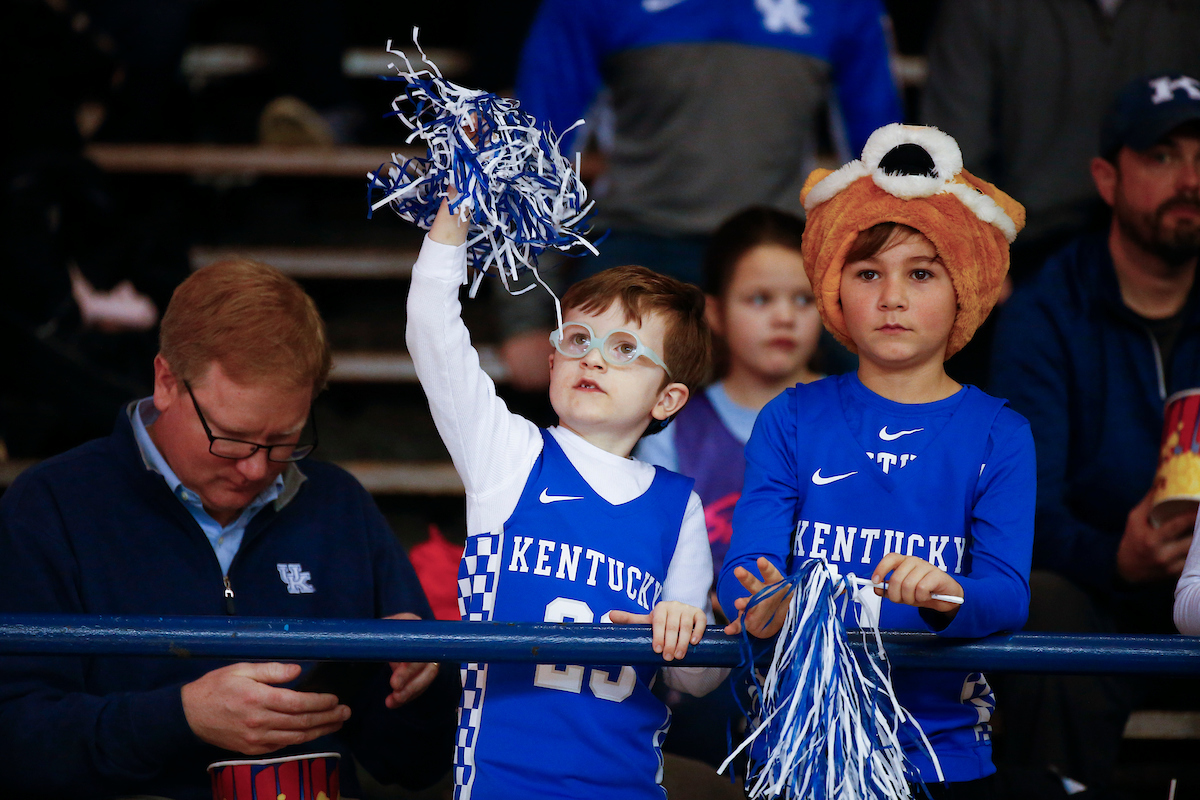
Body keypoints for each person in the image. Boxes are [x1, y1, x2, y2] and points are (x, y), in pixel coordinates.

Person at [0, 259, 459, 799]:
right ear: (166, 380)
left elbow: (412, 764)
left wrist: (424, 682)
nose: (256, 468)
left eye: (284, 440)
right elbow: (16, 740)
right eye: (233, 438)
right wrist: (181, 717)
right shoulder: (50, 506)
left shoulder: (337, 505)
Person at [717, 123, 1035, 797]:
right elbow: (748, 570)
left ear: (965, 291)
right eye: (868, 273)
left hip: (942, 756)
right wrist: (761, 600)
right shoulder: (791, 417)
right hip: (799, 752)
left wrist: (942, 593)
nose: (892, 296)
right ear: (836, 289)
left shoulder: (1000, 434)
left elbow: (1006, 595)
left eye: (921, 273)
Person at [407, 196, 727, 799]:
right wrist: (453, 213)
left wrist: (685, 628)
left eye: (626, 350)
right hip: (501, 785)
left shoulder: (678, 502)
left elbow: (706, 680)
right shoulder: (507, 453)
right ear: (552, 360)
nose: (595, 357)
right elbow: (433, 334)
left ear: (667, 401)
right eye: (579, 338)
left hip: (628, 786)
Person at [497, 0, 901, 389]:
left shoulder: (846, 4)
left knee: (888, 365)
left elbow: (880, 164)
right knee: (581, 380)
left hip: (780, 244)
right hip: (641, 240)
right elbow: (535, 156)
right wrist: (525, 318)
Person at [990, 74, 1200, 794]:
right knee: (1040, 601)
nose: (1192, 180)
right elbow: (1025, 514)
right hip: (1099, 587)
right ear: (1107, 178)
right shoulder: (1045, 311)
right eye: (1164, 157)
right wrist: (1120, 556)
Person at [634, 205, 821, 770]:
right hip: (715, 660)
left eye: (803, 299)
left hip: (836, 652)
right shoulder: (672, 430)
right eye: (759, 299)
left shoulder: (855, 419)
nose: (784, 317)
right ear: (713, 310)